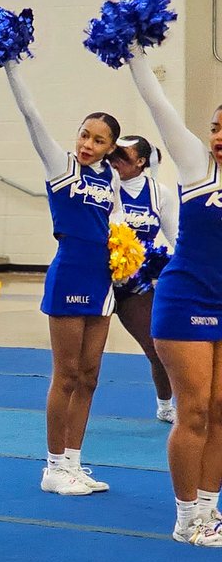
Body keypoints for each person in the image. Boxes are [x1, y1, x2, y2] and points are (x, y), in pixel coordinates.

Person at [2, 60, 120, 496]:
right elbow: (32, 117)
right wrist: (12, 67)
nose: (88, 144)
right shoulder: (61, 166)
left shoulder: (110, 178)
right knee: (66, 373)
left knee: (90, 374)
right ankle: (52, 466)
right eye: (84, 134)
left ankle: (73, 461)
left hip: (103, 279)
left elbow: (120, 218)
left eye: (99, 140)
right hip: (70, 272)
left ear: (111, 148)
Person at [124, 52, 222, 547]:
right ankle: (186, 517)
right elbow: (157, 103)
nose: (218, 136)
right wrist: (134, 53)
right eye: (215, 126)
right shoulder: (196, 166)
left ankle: (210, 510)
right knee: (196, 411)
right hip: (185, 300)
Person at [107, 135, 179, 423]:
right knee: (85, 358)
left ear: (140, 162)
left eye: (122, 157)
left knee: (156, 346)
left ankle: (165, 405)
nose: (114, 162)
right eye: (112, 156)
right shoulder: (104, 186)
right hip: (98, 277)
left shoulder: (159, 193)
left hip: (134, 284)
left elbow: (176, 237)